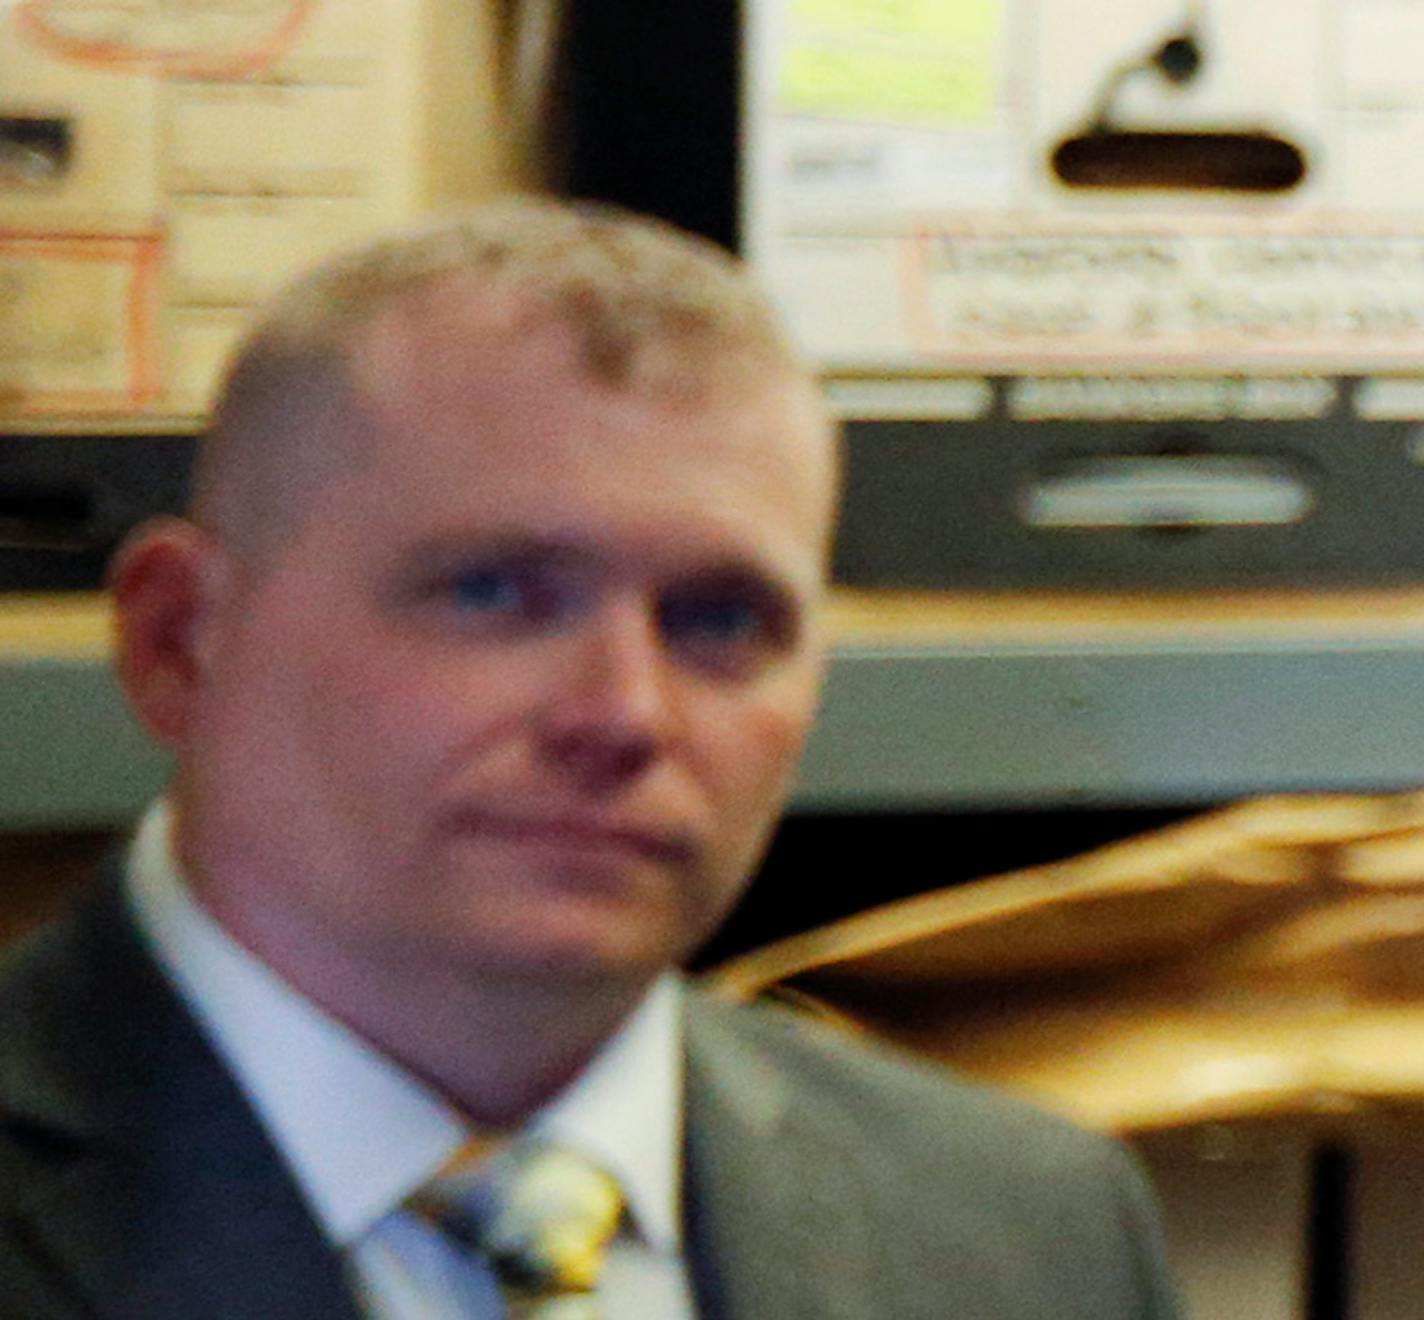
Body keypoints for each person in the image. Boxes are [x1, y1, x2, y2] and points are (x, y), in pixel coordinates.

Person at [0, 197, 1181, 1319]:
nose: (623, 713)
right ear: (181, 641)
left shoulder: (1030, 1233)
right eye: (493, 592)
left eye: (720, 621)